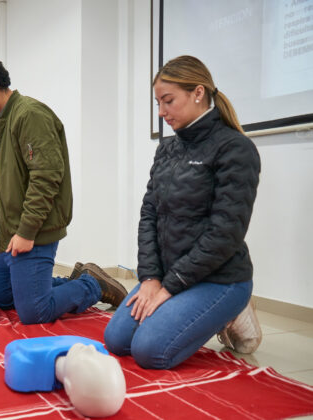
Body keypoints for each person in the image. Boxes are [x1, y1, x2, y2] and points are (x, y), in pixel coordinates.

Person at [104, 55, 262, 369]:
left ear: (198, 93)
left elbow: (225, 233)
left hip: (219, 279)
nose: (161, 112)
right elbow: (149, 214)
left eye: (168, 101)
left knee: (149, 351)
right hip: (168, 276)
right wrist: (149, 278)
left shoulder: (235, 149)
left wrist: (171, 286)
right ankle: (187, 306)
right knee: (118, 340)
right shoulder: (167, 149)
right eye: (157, 103)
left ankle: (235, 309)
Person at [0, 50, 127, 324]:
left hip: (31, 232)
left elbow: (46, 177)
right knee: (2, 300)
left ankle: (92, 284)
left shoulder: (30, 115)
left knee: (33, 312)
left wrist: (27, 230)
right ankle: (66, 281)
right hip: (3, 233)